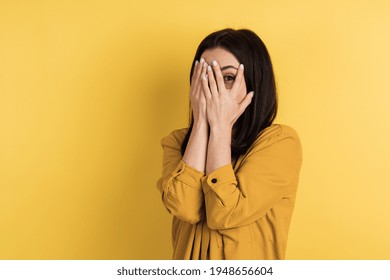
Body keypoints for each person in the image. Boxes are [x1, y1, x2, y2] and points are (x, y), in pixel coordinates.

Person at [156, 28, 302, 260]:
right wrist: (203, 122)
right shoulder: (176, 142)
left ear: (255, 82)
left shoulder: (280, 142)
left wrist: (221, 126)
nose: (212, 90)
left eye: (228, 78)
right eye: (204, 78)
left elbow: (225, 213)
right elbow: (184, 206)